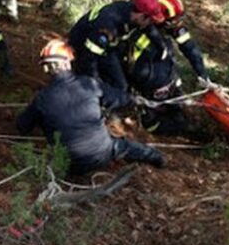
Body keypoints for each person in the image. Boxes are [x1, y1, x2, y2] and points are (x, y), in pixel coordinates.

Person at [17, 39, 165, 175]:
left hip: (70, 165)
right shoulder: (89, 84)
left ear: (47, 69)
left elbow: (22, 126)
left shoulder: (42, 98)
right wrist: (136, 100)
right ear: (67, 63)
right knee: (127, 147)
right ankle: (158, 159)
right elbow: (121, 99)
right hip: (104, 152)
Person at [126, 0, 211, 135]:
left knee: (179, 113)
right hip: (150, 87)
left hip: (166, 83)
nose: (177, 25)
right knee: (158, 123)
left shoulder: (167, 31)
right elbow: (137, 70)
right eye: (174, 21)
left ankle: (180, 119)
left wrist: (203, 75)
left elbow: (190, 48)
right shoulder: (144, 38)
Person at [67, 0, 166, 91]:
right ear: (140, 15)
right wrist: (93, 83)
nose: (150, 23)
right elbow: (90, 55)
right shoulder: (108, 23)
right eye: (150, 20)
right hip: (83, 49)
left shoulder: (133, 13)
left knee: (121, 86)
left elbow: (149, 29)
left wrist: (161, 47)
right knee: (110, 87)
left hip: (106, 48)